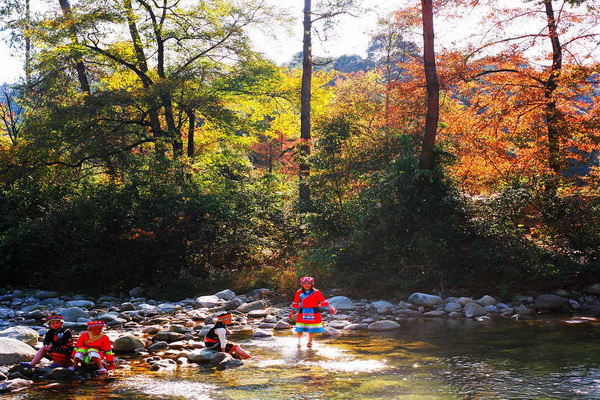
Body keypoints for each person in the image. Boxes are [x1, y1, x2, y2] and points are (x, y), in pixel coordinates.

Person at [288, 276, 337, 348]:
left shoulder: (316, 292)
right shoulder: (299, 292)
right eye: (305, 283)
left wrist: (330, 308)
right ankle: (299, 342)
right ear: (302, 284)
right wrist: (292, 312)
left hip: (314, 312)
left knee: (311, 328)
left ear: (312, 284)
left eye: (309, 283)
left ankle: (310, 342)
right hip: (302, 312)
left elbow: (323, 300)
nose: (307, 285)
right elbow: (295, 302)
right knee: (300, 328)